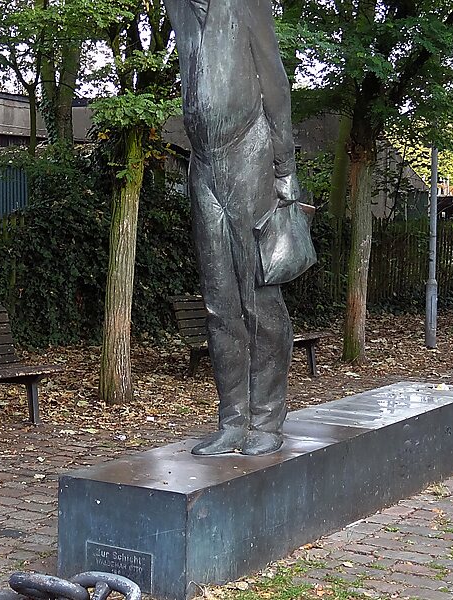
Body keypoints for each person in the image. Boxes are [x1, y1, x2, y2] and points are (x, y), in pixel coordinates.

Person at [164, 0, 301, 456]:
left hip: (251, 156)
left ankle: (266, 419)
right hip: (204, 166)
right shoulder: (178, 7)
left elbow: (274, 81)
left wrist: (285, 167)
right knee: (219, 302)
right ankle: (232, 421)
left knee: (259, 297)